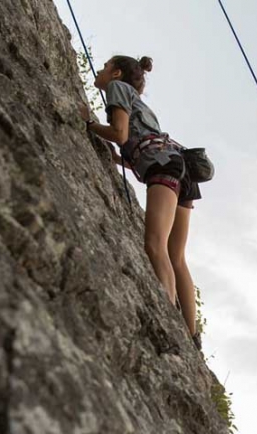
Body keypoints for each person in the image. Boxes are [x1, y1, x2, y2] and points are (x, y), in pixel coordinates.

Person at [80, 55, 202, 351]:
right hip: (178, 166)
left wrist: (89, 124)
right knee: (177, 257)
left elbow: (120, 134)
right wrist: (118, 159)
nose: (100, 71)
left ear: (116, 73)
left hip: (163, 166)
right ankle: (191, 337)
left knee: (154, 245)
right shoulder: (140, 103)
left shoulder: (117, 89)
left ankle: (170, 329)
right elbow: (140, 142)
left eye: (105, 67)